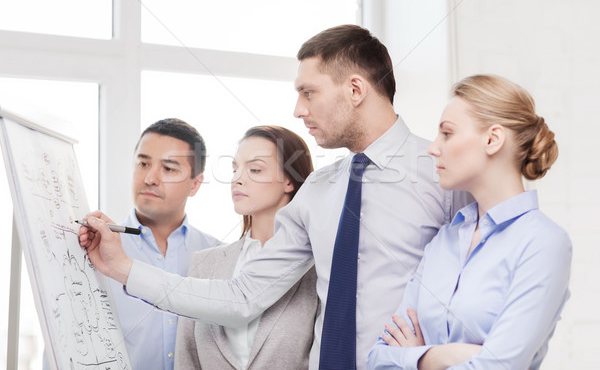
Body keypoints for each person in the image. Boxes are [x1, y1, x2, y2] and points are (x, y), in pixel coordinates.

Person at [78, 24, 470, 370]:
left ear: (355, 89)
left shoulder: (445, 174)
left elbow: (485, 290)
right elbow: (242, 295)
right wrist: (124, 268)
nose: (298, 110)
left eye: (308, 92)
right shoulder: (317, 193)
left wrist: (436, 355)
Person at [367, 75, 572, 370]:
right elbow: (377, 359)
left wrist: (417, 356)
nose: (433, 148)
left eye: (447, 134)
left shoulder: (544, 243)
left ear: (492, 140)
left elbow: (498, 366)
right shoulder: (444, 240)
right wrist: (443, 355)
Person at [174, 125, 318, 369]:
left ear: (289, 181)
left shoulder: (317, 269)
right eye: (235, 168)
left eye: (254, 169)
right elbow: (186, 358)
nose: (237, 179)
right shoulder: (205, 263)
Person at [105, 118, 221, 370]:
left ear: (195, 184)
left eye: (168, 169)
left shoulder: (219, 256)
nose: (150, 178)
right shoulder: (97, 249)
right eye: (143, 163)